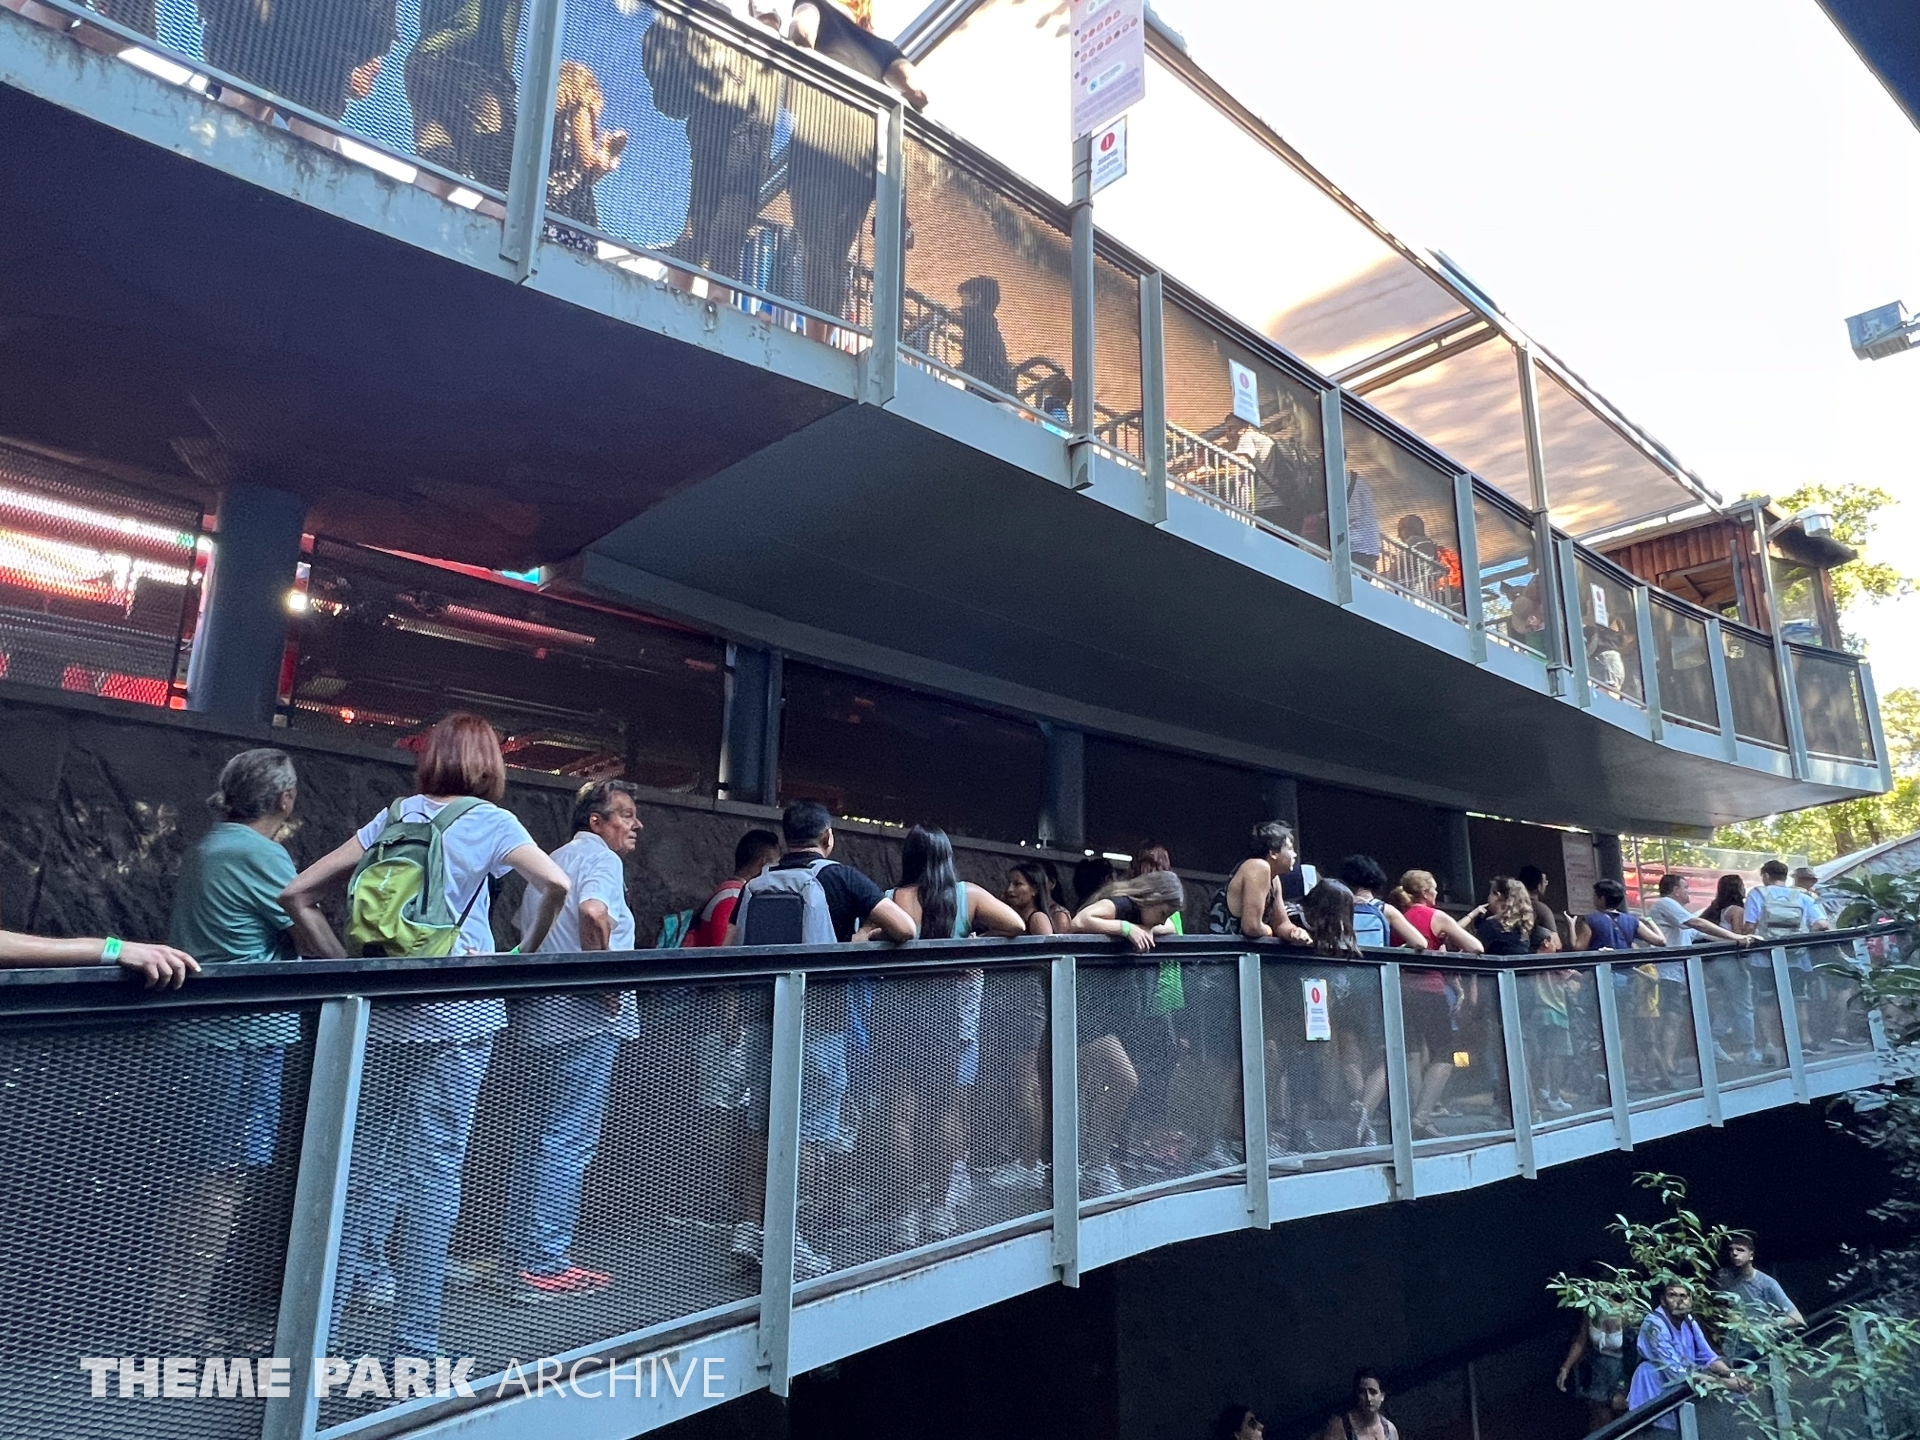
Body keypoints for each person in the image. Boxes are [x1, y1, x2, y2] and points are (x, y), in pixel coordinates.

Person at [281, 712, 571, 1358]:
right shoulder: (492, 821)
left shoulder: (394, 816)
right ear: (490, 762)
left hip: (384, 1014)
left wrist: (345, 966)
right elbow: (556, 883)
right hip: (460, 1015)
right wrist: (518, 956)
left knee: (363, 1167)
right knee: (435, 1172)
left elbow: (296, 895)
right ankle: (414, 1346)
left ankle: (320, 1337)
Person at [147, 748, 303, 1346]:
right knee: (220, 1180)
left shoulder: (208, 846)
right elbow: (301, 921)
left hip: (196, 1031)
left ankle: (169, 1311)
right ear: (284, 798)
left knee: (192, 1177)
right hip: (241, 1037)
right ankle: (184, 1322)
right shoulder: (261, 853)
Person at [724, 800, 915, 1273]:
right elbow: (905, 928)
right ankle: (787, 1239)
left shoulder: (758, 883)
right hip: (820, 1025)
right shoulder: (841, 878)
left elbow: (728, 949)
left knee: (760, 1123)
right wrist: (858, 941)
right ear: (828, 837)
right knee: (809, 1130)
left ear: (786, 837)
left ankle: (750, 1228)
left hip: (762, 1020)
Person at [493, 780, 643, 1303]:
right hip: (585, 1021)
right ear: (596, 822)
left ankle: (520, 1258)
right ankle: (545, 1264)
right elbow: (593, 913)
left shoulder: (550, 860)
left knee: (535, 1137)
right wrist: (607, 985)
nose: (636, 824)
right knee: (568, 1139)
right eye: (625, 814)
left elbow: (526, 933)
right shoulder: (600, 859)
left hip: (540, 1020)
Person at [870, 825, 1023, 1242]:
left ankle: (905, 1215)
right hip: (950, 1026)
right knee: (947, 1115)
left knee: (900, 1116)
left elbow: (865, 939)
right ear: (946, 857)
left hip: (898, 1023)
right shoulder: (967, 895)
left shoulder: (890, 899)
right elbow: (1016, 925)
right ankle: (938, 1210)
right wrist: (971, 943)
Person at [786, 0, 928, 342]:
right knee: (836, 256)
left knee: (816, 249)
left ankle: (816, 340)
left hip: (816, 146)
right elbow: (917, 92)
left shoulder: (815, 6)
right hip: (861, 160)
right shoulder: (882, 48)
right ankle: (826, 337)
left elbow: (801, 33)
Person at [644, 0, 780, 304]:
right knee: (722, 214)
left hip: (720, 111)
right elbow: (770, 25)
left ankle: (681, 298)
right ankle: (712, 300)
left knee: (706, 217)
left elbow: (769, 23)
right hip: (737, 111)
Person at [1070, 872, 1192, 1194]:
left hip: (1105, 1015)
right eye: (1163, 911)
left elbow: (1167, 928)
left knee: (1097, 1090)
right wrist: (1127, 928)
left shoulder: (1143, 915)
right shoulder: (1122, 905)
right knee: (1125, 1079)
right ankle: (1095, 1162)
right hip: (1085, 1015)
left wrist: (1150, 927)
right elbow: (1080, 921)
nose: (1165, 919)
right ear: (1151, 899)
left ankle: (1090, 1161)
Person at [1337, 857, 1425, 1147]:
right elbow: (1420, 943)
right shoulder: (1384, 910)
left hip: (1345, 988)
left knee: (1350, 1058)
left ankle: (1362, 1122)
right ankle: (1364, 1113)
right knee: (1383, 1060)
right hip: (1376, 989)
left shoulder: (1339, 907)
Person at [1397, 869, 1484, 1138]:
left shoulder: (1399, 916)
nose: (1436, 893)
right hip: (1430, 990)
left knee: (1412, 1053)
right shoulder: (1435, 916)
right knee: (1444, 1054)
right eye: (1434, 889)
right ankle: (1422, 1117)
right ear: (1425, 892)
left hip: (1400, 989)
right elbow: (1475, 947)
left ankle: (1411, 1116)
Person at [981, 861, 1052, 1190]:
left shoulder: (1036, 919)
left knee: (1027, 1084)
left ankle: (1030, 1165)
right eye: (1009, 883)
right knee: (1018, 1083)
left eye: (1018, 884)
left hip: (1026, 1009)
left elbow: (1048, 957)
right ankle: (1024, 1158)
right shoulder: (1012, 919)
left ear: (1034, 889)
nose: (1010, 890)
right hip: (1011, 1010)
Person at [405, 0, 524, 191]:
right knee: (504, 179)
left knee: (438, 166)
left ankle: (419, 201)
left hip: (426, 56)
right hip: (476, 62)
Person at [1627, 1281, 1751, 1424]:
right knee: (1655, 1429)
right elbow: (1677, 1373)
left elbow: (1709, 1357)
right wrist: (1726, 1384)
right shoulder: (1654, 1324)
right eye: (1672, 1295)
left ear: (1690, 1301)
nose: (1679, 1301)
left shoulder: (1689, 1320)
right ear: (1663, 1301)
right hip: (1653, 1386)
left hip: (1679, 1387)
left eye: (1683, 1296)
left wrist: (1733, 1375)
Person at [1739, 860, 1828, 1055]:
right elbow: (1823, 924)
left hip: (1763, 958)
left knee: (1766, 1000)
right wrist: (1802, 937)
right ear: (1786, 876)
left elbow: (1749, 927)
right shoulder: (1802, 896)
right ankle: (1804, 1039)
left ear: (1765, 875)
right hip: (1796, 957)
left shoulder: (1757, 894)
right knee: (1799, 998)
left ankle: (1773, 1043)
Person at [546, 60, 625, 229]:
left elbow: (582, 178)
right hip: (569, 210)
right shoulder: (580, 110)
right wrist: (607, 151)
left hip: (548, 201)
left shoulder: (548, 121)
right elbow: (587, 162)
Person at [1711, 1232, 1804, 1361]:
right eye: (1731, 1250)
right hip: (1735, 1348)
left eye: (1740, 1250)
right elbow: (1719, 1307)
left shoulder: (1767, 1283)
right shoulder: (1725, 1279)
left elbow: (1796, 1318)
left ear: (1751, 1255)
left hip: (1762, 1347)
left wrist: (1768, 1326)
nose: (1734, 1253)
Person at [686, 829, 783, 949]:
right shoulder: (733, 898)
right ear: (764, 863)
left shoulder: (729, 892)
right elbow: (723, 953)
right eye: (775, 865)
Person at [1556, 1307, 1630, 1433]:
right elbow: (1581, 1341)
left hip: (1621, 1372)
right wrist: (1565, 1368)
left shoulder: (1628, 1310)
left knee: (1621, 1420)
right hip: (1598, 1372)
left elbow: (1635, 1352)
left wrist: (1628, 1388)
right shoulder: (1591, 1309)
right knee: (1599, 1419)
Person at [955, 276, 1016, 396]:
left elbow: (951, 314)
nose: (962, 305)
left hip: (985, 387)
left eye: (963, 301)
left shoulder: (977, 315)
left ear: (977, 297)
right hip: (999, 389)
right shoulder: (989, 327)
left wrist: (922, 321)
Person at [1318, 1368, 1398, 1440]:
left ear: (1382, 1396)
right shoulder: (1342, 1426)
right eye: (1362, 1392)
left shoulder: (1389, 1430)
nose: (1368, 1398)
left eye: (1373, 1392)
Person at [1347, 470, 1382, 574]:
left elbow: (1354, 512)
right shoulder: (1360, 482)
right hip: (1370, 547)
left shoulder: (1346, 481)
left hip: (1359, 547)